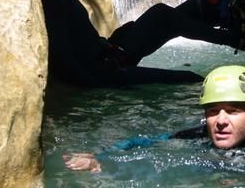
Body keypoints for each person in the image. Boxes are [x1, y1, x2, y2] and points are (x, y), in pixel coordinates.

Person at [38, 0, 244, 87]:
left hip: (113, 51)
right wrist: (98, 87)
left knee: (166, 15)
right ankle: (233, 39)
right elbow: (61, 56)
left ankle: (230, 33)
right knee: (191, 78)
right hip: (110, 64)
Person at [63, 65, 245, 173]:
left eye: (232, 111)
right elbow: (142, 142)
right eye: (213, 111)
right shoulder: (198, 134)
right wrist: (100, 156)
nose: (221, 120)